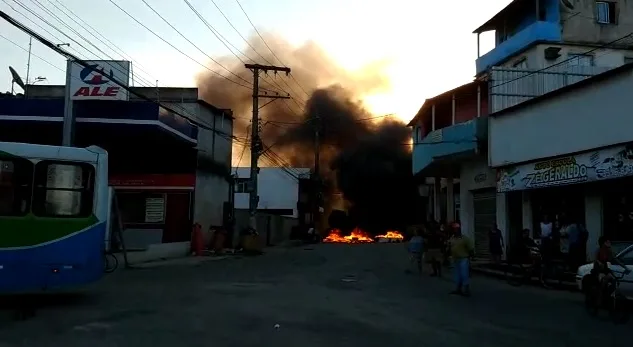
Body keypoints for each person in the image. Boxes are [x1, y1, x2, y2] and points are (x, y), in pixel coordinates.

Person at [591, 236, 631, 305]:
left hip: (606, 269)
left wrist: (625, 267)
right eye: (608, 242)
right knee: (603, 281)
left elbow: (615, 259)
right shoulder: (599, 250)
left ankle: (608, 295)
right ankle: (599, 299)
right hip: (598, 270)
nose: (610, 243)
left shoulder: (609, 251)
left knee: (614, 280)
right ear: (604, 243)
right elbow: (595, 259)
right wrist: (599, 263)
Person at [448, 223, 474, 296]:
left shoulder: (465, 239)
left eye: (457, 229)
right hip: (455, 259)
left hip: (463, 259)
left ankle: (466, 290)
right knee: (457, 275)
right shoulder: (452, 238)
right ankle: (458, 289)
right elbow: (450, 247)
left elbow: (471, 249)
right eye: (454, 229)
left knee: (464, 274)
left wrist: (472, 257)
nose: (456, 230)